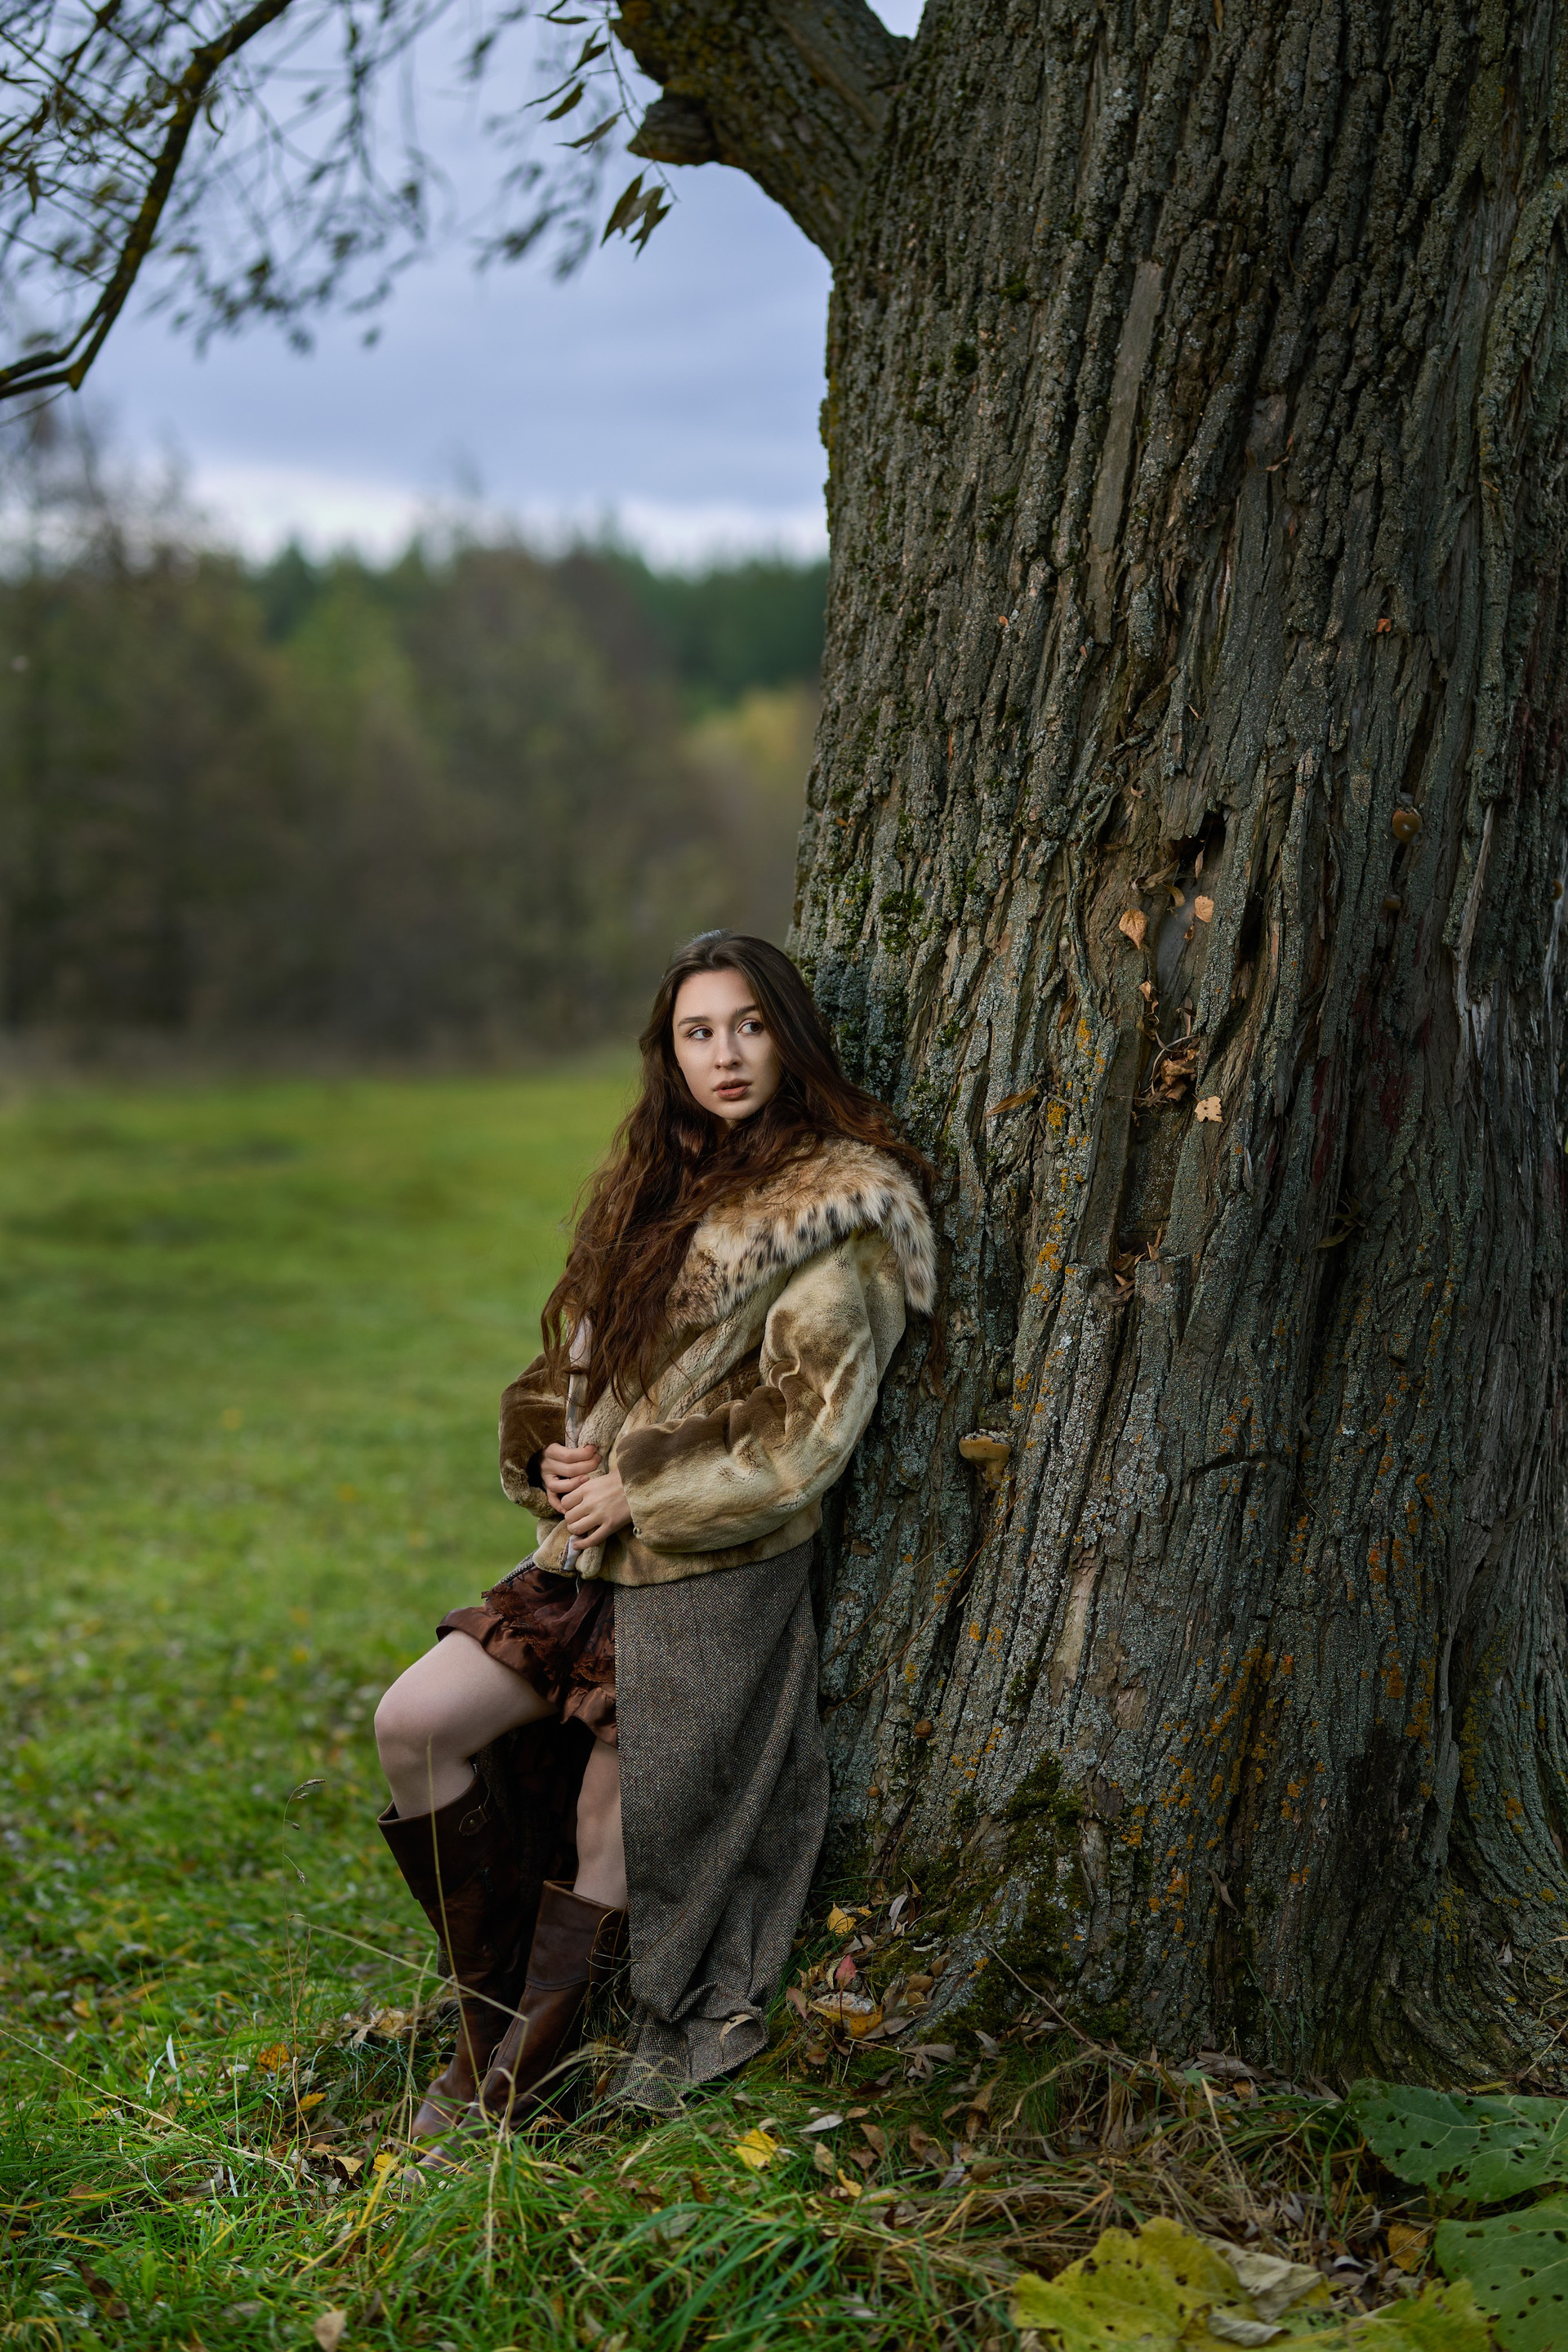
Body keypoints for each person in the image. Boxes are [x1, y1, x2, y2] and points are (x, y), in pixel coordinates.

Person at [372, 929, 936, 2136]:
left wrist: (643, 1487)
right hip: (583, 1558)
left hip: (710, 1572)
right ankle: (484, 2024)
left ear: (789, 1037)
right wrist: (550, 1450)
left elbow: (806, 1425)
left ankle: (505, 2092)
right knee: (414, 1724)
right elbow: (563, 1367)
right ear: (668, 1052)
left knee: (610, 1830)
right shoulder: (651, 1182)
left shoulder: (839, 1207)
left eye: (749, 1026)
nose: (725, 1055)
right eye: (698, 1032)